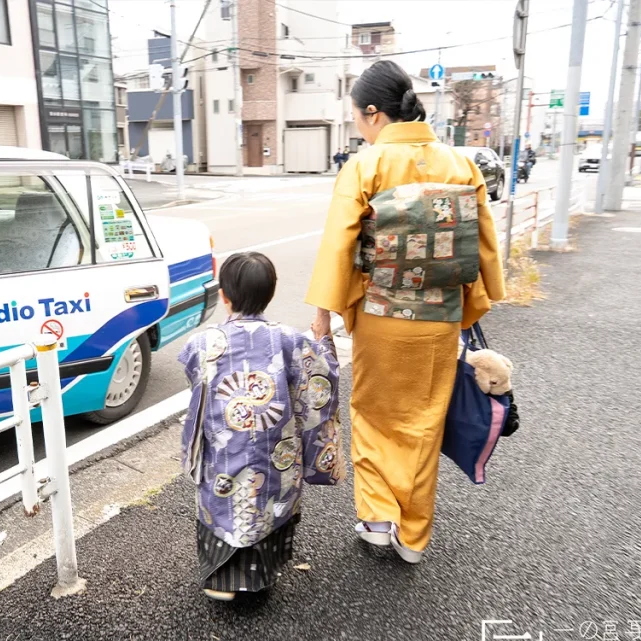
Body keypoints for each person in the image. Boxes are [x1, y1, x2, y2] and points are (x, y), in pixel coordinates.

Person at [307, 60, 505, 564]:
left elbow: (339, 244)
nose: (355, 123)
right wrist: (478, 299)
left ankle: (377, 519)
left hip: (380, 313)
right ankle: (414, 535)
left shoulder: (366, 166)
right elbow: (481, 241)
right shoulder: (460, 165)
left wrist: (325, 313)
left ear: (374, 114)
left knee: (374, 415)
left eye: (355, 114)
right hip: (439, 315)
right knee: (423, 419)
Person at [179, 252, 342, 601]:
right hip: (275, 452)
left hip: (222, 452)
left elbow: (194, 374)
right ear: (270, 293)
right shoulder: (290, 340)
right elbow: (319, 386)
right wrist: (323, 339)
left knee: (223, 502)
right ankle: (260, 576)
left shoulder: (203, 342)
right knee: (269, 500)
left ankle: (220, 579)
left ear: (224, 296)